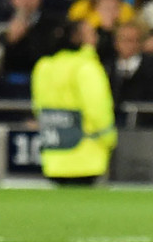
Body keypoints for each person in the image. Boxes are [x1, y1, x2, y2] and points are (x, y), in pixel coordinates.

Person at [31, 21, 117, 185]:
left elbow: (38, 107)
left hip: (54, 155)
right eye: (91, 33)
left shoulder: (43, 67)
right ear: (79, 38)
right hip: (86, 157)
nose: (96, 37)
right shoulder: (87, 67)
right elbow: (98, 109)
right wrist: (109, 139)